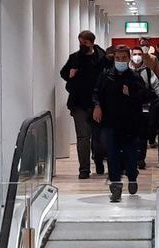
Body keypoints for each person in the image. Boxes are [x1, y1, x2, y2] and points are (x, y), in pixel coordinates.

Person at [91, 45, 148, 201]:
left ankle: (132, 178)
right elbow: (96, 93)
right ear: (113, 58)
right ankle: (115, 185)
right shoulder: (106, 76)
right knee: (112, 154)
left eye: (123, 58)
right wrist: (97, 106)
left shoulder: (135, 77)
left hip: (130, 123)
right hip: (110, 122)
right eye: (117, 58)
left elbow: (144, 96)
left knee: (130, 154)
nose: (120, 61)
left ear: (128, 59)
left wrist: (131, 94)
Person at [59, 30, 109, 179]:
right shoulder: (74, 58)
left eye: (85, 43)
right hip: (79, 103)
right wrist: (71, 74)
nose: (82, 45)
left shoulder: (102, 58)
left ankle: (98, 160)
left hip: (98, 103)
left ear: (92, 42)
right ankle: (84, 169)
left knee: (98, 137)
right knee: (83, 137)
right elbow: (64, 73)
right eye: (80, 42)